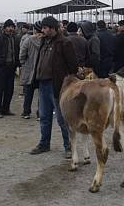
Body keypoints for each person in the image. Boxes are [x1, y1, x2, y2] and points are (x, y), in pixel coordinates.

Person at [30, 16, 78, 157]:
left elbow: (73, 66)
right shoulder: (43, 42)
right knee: (44, 116)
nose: (43, 30)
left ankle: (68, 146)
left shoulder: (64, 43)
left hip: (58, 86)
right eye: (43, 28)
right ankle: (44, 144)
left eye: (45, 28)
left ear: (53, 28)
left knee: (62, 118)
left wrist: (66, 82)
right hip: (43, 84)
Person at [0, 19, 20, 118]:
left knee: (9, 90)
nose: (11, 29)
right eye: (9, 27)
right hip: (1, 68)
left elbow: (16, 51)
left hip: (11, 67)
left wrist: (16, 64)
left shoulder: (14, 38)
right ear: (5, 28)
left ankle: (5, 109)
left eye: (12, 27)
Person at [19, 22, 42, 119]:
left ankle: (26, 112)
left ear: (34, 30)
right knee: (41, 94)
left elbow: (22, 54)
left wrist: (24, 63)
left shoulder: (28, 40)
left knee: (28, 93)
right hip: (42, 71)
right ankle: (40, 113)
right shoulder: (45, 41)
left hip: (29, 70)